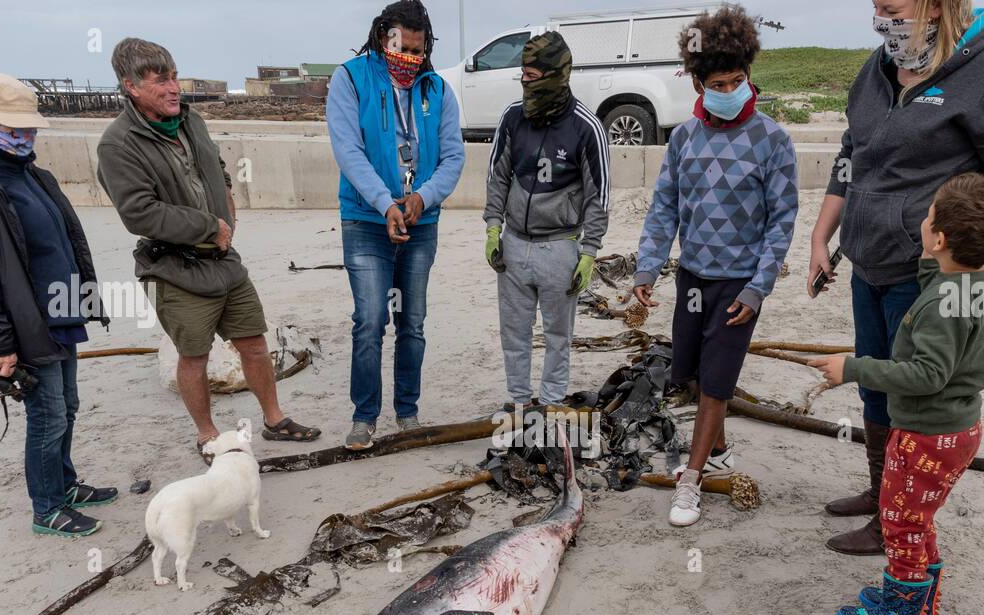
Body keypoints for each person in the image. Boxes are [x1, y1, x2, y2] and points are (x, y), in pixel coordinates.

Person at [809, 1, 984, 555]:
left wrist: (979, 238)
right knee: (877, 383)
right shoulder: (880, 65)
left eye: (892, 7)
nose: (881, 16)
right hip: (867, 262)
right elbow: (851, 153)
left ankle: (895, 518)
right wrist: (821, 236)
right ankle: (880, 494)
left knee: (913, 392)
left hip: (926, 275)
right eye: (875, 7)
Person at [810, 173, 984, 615]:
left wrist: (854, 369)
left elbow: (927, 374)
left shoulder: (939, 310)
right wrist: (933, 256)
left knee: (900, 524)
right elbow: (943, 278)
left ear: (941, 238)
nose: (922, 220)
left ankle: (901, 614)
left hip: (927, 433)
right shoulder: (980, 278)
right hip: (958, 429)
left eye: (928, 216)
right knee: (918, 517)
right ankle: (921, 600)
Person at [97, 37, 320, 462]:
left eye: (174, 76)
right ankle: (208, 435)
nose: (172, 88)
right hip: (174, 267)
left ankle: (274, 420)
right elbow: (138, 214)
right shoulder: (117, 144)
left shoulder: (190, 120)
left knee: (254, 342)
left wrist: (228, 198)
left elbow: (214, 165)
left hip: (223, 259)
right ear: (130, 86)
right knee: (194, 356)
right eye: (159, 81)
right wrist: (208, 224)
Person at [631, 4, 798, 527]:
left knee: (719, 380)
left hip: (739, 283)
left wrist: (758, 289)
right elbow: (664, 209)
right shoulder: (684, 139)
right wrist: (647, 267)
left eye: (738, 80)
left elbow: (782, 220)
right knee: (693, 375)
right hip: (693, 277)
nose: (730, 90)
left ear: (749, 75)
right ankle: (720, 450)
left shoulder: (773, 140)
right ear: (699, 85)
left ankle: (691, 480)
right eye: (718, 82)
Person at [0, 72, 116, 538]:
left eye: (29, 127)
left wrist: (85, 300)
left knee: (67, 405)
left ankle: (66, 484)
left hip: (61, 309)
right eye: (14, 126)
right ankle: (47, 507)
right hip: (22, 320)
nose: (25, 136)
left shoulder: (30, 171)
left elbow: (61, 242)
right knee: (48, 412)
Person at [327, 0, 465, 449]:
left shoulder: (438, 90)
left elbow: (453, 157)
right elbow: (349, 152)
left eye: (417, 50)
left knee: (413, 320)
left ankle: (407, 412)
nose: (408, 59)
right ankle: (364, 415)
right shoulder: (350, 78)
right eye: (399, 48)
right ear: (381, 37)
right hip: (367, 220)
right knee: (369, 319)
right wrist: (386, 203)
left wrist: (422, 198)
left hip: (421, 222)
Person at [484, 30, 610, 411]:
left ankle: (552, 403)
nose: (526, 82)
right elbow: (497, 176)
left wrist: (588, 253)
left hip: (560, 247)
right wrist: (493, 229)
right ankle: (520, 402)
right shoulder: (511, 118)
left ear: (557, 74)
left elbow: (598, 197)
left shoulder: (587, 128)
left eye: (534, 76)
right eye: (522, 74)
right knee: (514, 333)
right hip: (514, 245)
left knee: (558, 335)